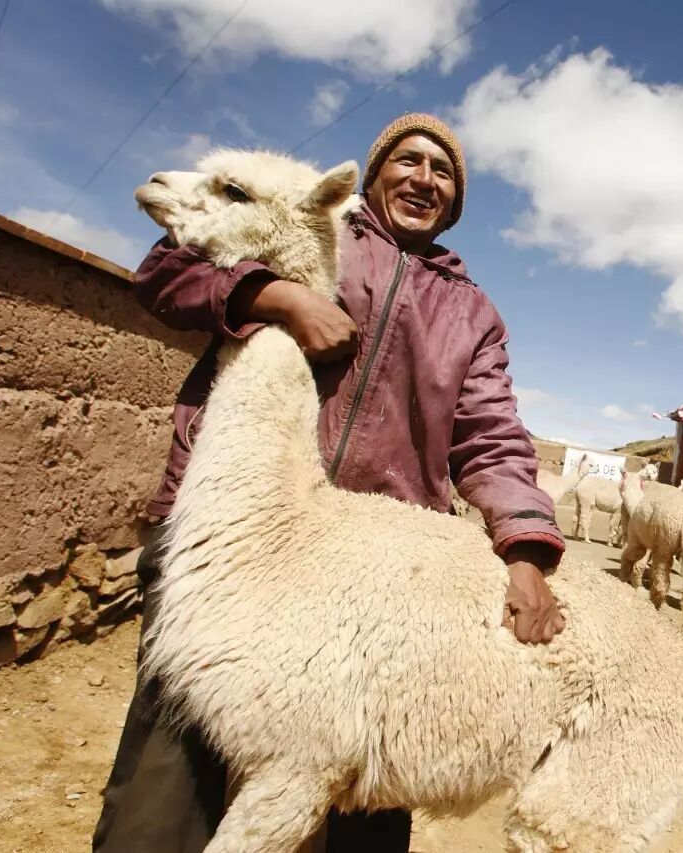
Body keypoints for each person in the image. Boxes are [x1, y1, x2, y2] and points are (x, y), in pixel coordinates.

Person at [93, 113, 567, 852]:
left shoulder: (471, 314)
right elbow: (166, 271)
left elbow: (492, 435)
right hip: (238, 545)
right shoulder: (308, 229)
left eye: (442, 171)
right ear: (373, 175)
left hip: (373, 585)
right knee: (169, 798)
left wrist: (525, 547)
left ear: (457, 200)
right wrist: (279, 299)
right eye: (407, 160)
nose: (424, 178)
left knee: (362, 793)